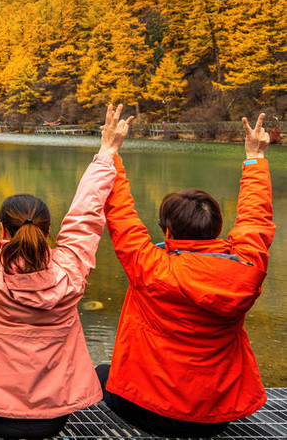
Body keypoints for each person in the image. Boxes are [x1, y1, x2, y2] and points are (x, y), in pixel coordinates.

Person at [0, 101, 132, 440]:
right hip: (53, 418)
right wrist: (107, 151)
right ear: (48, 232)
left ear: (1, 231)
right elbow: (86, 216)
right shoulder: (71, 271)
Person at [97, 113, 274, 438]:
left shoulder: (151, 266)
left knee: (98, 375)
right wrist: (256, 160)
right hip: (217, 416)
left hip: (145, 406)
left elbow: (120, 213)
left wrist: (110, 154)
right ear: (219, 229)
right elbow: (256, 220)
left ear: (167, 230)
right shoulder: (247, 268)